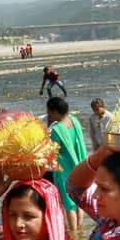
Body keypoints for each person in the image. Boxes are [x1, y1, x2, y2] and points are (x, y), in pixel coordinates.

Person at [47, 96, 88, 232]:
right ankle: (81, 229)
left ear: (55, 111)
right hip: (79, 166)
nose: (49, 116)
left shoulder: (57, 129)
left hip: (63, 170)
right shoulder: (74, 121)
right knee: (78, 201)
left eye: (50, 113)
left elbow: (52, 150)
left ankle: (75, 233)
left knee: (68, 203)